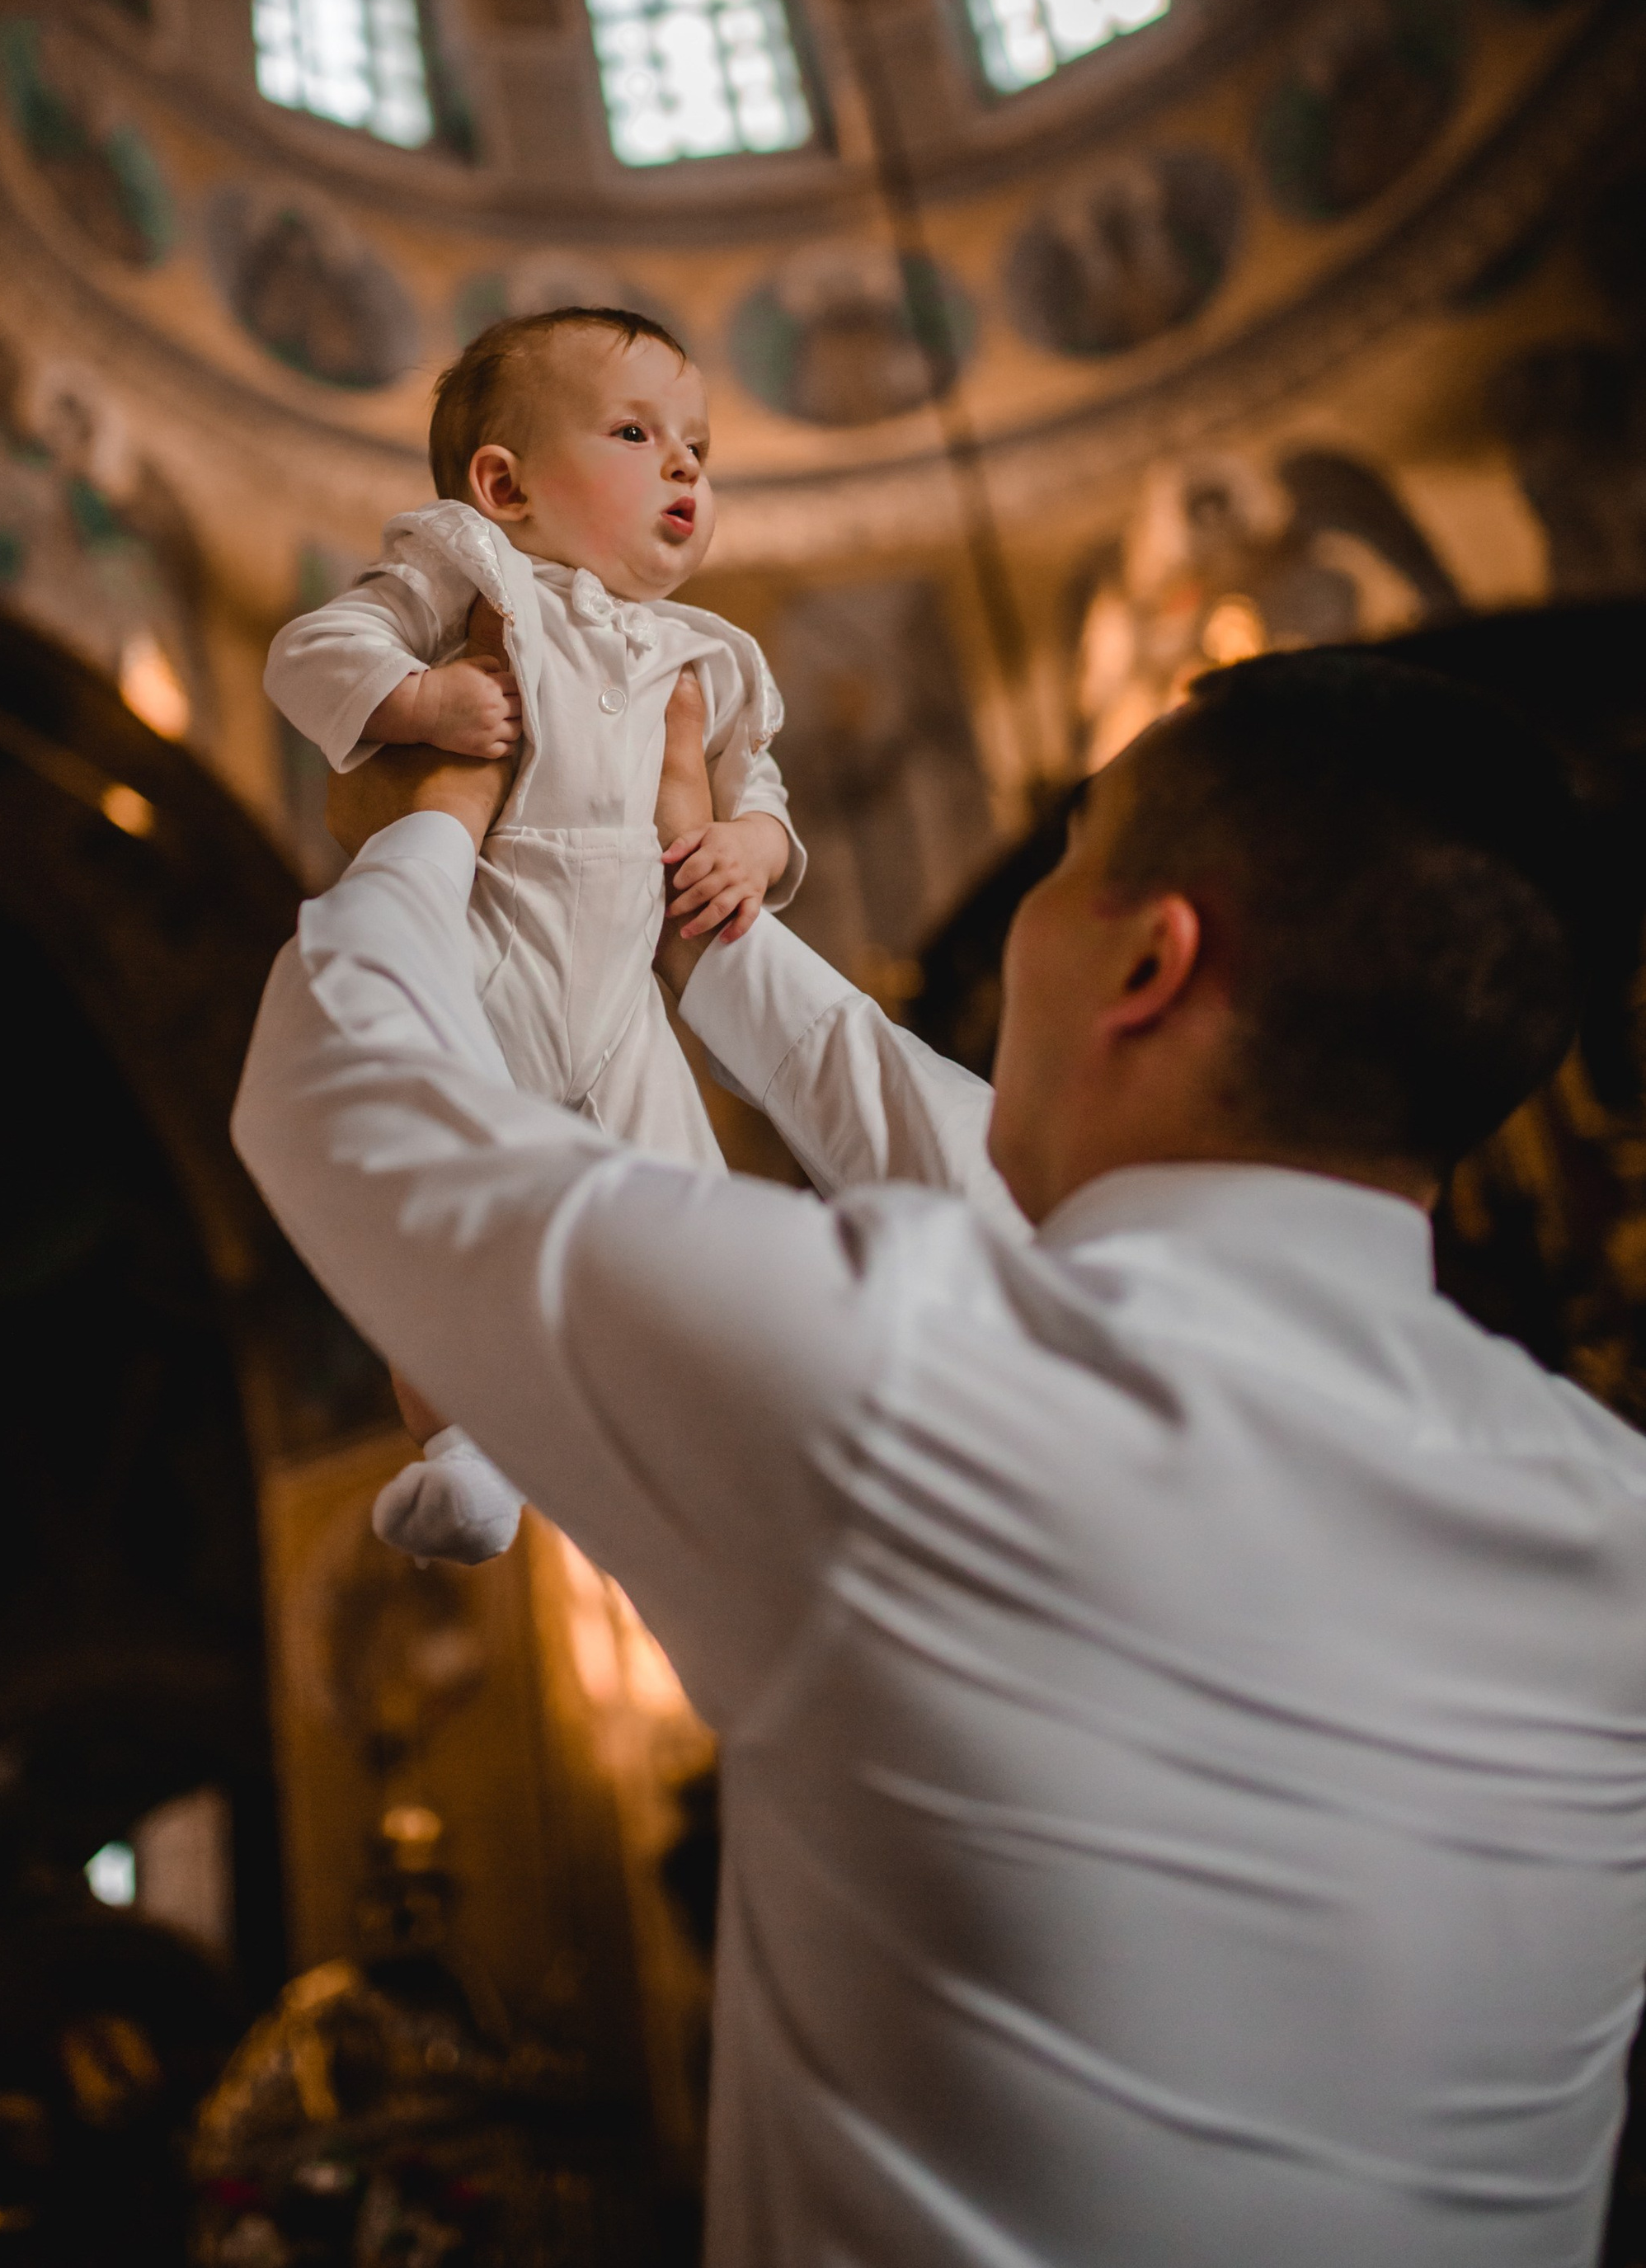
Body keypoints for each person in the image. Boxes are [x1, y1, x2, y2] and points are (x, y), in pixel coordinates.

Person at [232, 647, 1646, 2267]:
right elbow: (1059, 1262)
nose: (1024, 920)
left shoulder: (914, 1389)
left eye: (1060, 865)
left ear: (1147, 965)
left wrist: (435, 819)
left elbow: (340, 1098)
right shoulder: (1603, 1518)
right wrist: (715, 936)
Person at [264, 306, 800, 1563]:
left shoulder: (708, 652)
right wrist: (422, 697)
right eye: (635, 432)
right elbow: (313, 650)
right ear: (503, 486)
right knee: (450, 1201)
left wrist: (755, 847)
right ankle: (464, 1452)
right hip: (491, 947)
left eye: (699, 447)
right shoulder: (472, 570)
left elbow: (756, 781)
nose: (684, 465)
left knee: (689, 1213)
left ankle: (713, 1430)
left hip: (620, 1002)